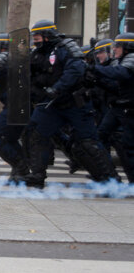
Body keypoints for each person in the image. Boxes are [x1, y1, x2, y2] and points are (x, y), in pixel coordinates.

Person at [22, 20, 119, 188]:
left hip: (75, 103)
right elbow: (31, 76)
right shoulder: (37, 54)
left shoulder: (66, 47)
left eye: (37, 36)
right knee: (36, 133)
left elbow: (75, 70)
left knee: (87, 142)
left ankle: (109, 179)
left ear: (47, 35)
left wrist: (57, 89)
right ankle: (37, 175)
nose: (34, 40)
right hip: (51, 104)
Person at [0, 33, 29, 182]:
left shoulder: (5, 57)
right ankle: (21, 170)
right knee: (10, 139)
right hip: (18, 104)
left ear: (4, 46)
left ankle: (20, 166)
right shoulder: (15, 59)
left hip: (15, 106)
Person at [90, 32, 134, 182]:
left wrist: (94, 70)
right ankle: (108, 175)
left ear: (128, 47)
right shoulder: (123, 59)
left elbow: (120, 75)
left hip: (128, 108)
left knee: (128, 146)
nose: (114, 49)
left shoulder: (130, 59)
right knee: (100, 136)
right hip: (118, 108)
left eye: (118, 46)